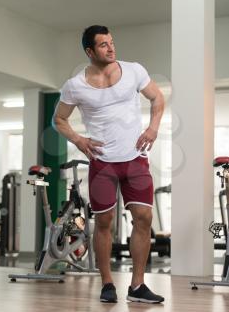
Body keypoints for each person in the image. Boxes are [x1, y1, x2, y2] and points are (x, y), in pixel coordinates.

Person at [53, 25, 165, 304]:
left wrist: (152, 128)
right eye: (103, 44)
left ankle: (137, 286)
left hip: (135, 159)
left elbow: (157, 98)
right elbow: (59, 119)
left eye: (112, 42)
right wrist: (79, 140)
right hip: (102, 163)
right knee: (104, 222)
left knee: (144, 218)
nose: (111, 48)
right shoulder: (75, 85)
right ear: (90, 51)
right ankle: (107, 284)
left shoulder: (134, 71)